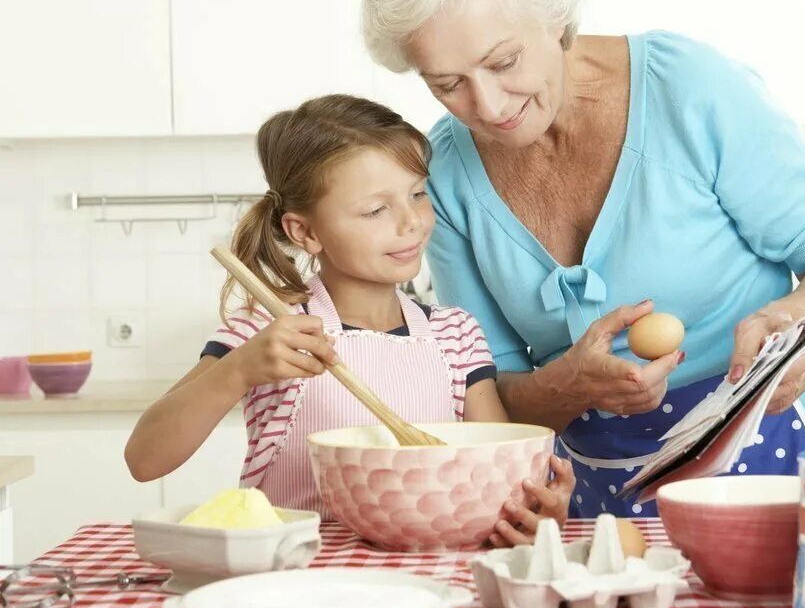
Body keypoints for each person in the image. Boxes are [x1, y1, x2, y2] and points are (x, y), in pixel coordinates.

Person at [362, 0, 805, 518]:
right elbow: (490, 398)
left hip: (787, 464)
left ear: (555, 15)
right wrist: (569, 383)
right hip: (599, 497)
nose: (486, 105)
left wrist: (790, 325)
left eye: (504, 61)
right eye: (447, 84)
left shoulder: (690, 89)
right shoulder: (444, 175)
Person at [124, 94, 574, 546]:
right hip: (294, 577)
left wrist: (536, 510)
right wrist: (239, 369)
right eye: (376, 210)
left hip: (427, 573)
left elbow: (495, 472)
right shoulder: (270, 333)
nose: (411, 222)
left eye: (418, 194)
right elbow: (145, 459)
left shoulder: (455, 336)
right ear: (306, 232)